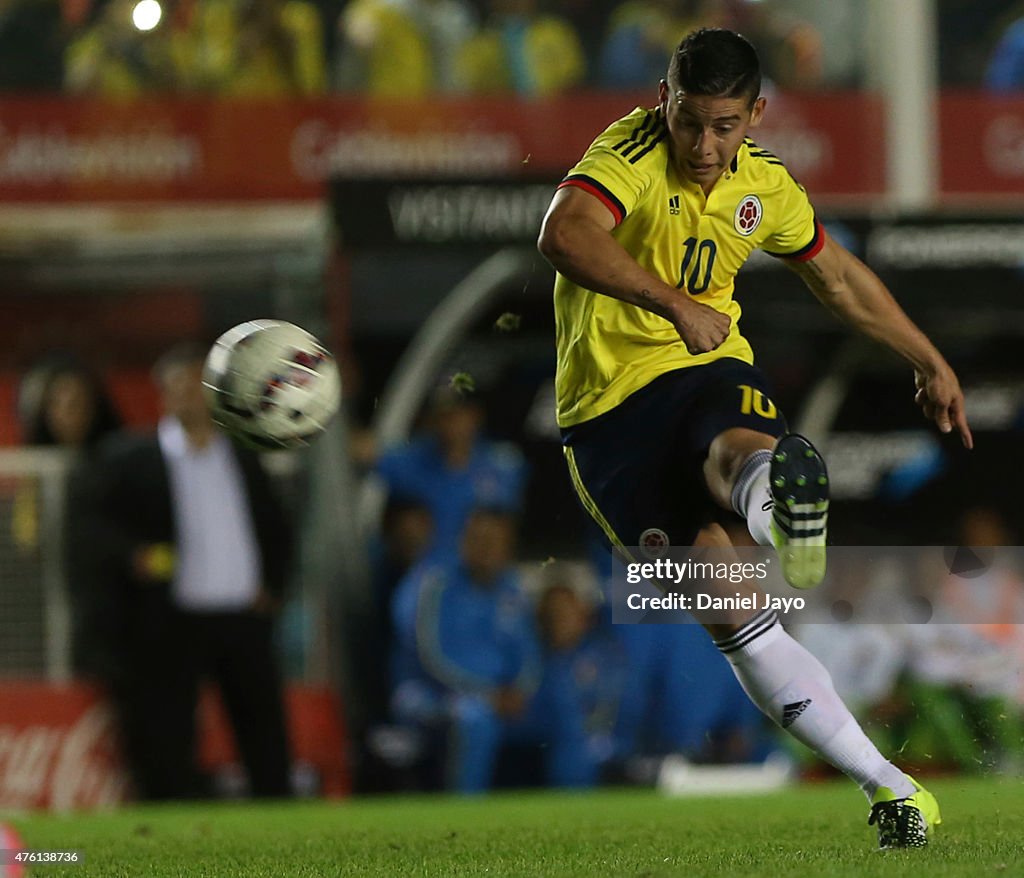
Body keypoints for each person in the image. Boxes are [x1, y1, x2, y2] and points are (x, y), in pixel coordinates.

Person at [537, 27, 972, 849]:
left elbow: (835, 276)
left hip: (706, 371)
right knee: (726, 605)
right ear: (664, 99)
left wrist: (926, 357)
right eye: (690, 120)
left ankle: (781, 509)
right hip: (605, 415)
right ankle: (892, 785)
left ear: (756, 115)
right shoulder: (626, 152)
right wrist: (674, 303)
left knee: (732, 445)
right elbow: (564, 235)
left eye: (725, 125)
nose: (704, 144)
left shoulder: (766, 185)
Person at [68, 342, 294, 800]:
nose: (193, 395)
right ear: (163, 395)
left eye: (201, 385)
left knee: (263, 727)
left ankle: (278, 810)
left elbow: (277, 527)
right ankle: (172, 812)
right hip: (172, 619)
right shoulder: (129, 460)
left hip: (242, 615)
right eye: (182, 386)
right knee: (169, 732)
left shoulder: (243, 456)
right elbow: (91, 531)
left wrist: (274, 585)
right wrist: (134, 557)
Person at [390, 507, 596, 792]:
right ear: (464, 540)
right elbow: (430, 656)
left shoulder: (511, 590)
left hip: (505, 700)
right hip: (431, 696)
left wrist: (521, 690)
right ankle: (463, 815)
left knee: (563, 708)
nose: (487, 548)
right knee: (474, 717)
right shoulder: (434, 585)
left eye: (496, 540)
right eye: (480, 538)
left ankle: (575, 809)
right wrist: (488, 695)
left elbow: (528, 654)